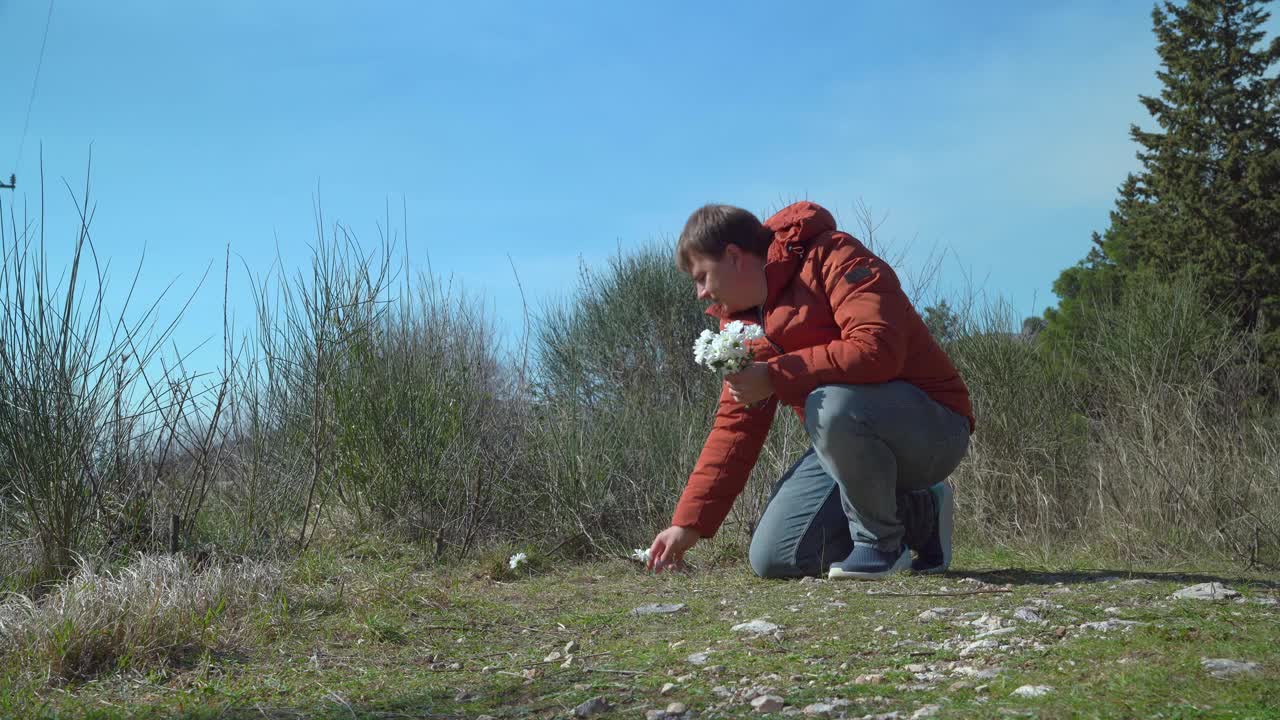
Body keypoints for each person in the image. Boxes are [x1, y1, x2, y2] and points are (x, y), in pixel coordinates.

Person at [645, 202, 974, 580]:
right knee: (773, 556)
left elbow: (877, 349)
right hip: (844, 439)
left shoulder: (833, 255)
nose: (700, 293)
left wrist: (775, 375)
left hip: (934, 428)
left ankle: (881, 545)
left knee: (828, 402)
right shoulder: (740, 327)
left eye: (702, 277)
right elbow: (735, 428)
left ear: (733, 256)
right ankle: (919, 515)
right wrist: (688, 524)